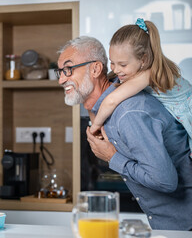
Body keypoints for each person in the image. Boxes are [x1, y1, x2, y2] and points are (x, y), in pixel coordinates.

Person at [55, 36, 192, 230]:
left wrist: (112, 157)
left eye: (68, 69)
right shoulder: (111, 99)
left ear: (95, 69)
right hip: (172, 225)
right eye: (59, 72)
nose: (61, 79)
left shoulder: (129, 113)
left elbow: (165, 182)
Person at [89, 18, 192, 157]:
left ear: (143, 60)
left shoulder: (147, 74)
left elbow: (112, 100)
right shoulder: (137, 68)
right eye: (112, 63)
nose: (117, 69)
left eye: (123, 65)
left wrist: (94, 127)